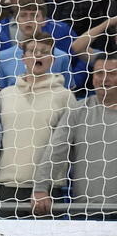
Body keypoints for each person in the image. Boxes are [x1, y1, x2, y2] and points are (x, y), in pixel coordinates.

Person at [33, 54, 117, 216]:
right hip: (87, 210)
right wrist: (40, 189)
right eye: (99, 73)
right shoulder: (78, 110)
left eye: (112, 73)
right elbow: (56, 151)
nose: (103, 78)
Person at [0, 34, 75, 207]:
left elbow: (69, 142)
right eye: (32, 51)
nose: (38, 55)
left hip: (48, 188)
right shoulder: (6, 95)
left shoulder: (65, 96)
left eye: (44, 52)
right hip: (9, 185)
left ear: (52, 60)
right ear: (23, 58)